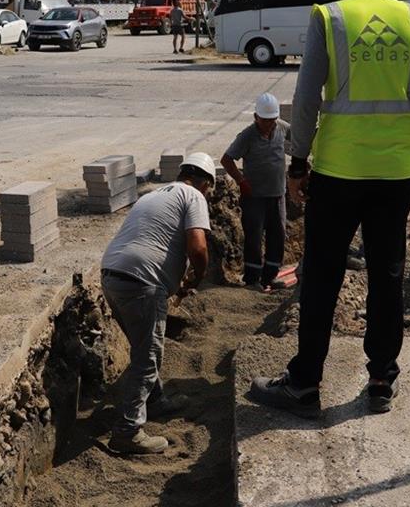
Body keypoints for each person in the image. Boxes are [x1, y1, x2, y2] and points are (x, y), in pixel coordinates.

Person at [249, 0, 410, 418]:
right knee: (388, 275)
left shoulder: (330, 17)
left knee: (322, 277)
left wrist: (298, 163)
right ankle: (382, 379)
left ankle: (303, 385)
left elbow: (304, 101)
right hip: (395, 172)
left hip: (338, 174)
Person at [100, 152, 215, 454]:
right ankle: (127, 431)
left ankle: (155, 400)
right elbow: (198, 245)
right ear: (204, 183)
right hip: (141, 281)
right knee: (148, 355)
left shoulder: (153, 195)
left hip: (112, 275)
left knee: (143, 346)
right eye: (209, 189)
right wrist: (197, 276)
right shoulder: (194, 196)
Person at [222, 92, 289, 290]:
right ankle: (252, 279)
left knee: (278, 234)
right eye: (265, 120)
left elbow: (301, 137)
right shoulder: (247, 136)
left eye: (272, 120)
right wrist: (241, 181)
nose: (269, 124)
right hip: (255, 197)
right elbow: (227, 159)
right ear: (256, 117)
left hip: (278, 194)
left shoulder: (282, 128)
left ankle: (270, 277)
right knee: (254, 236)